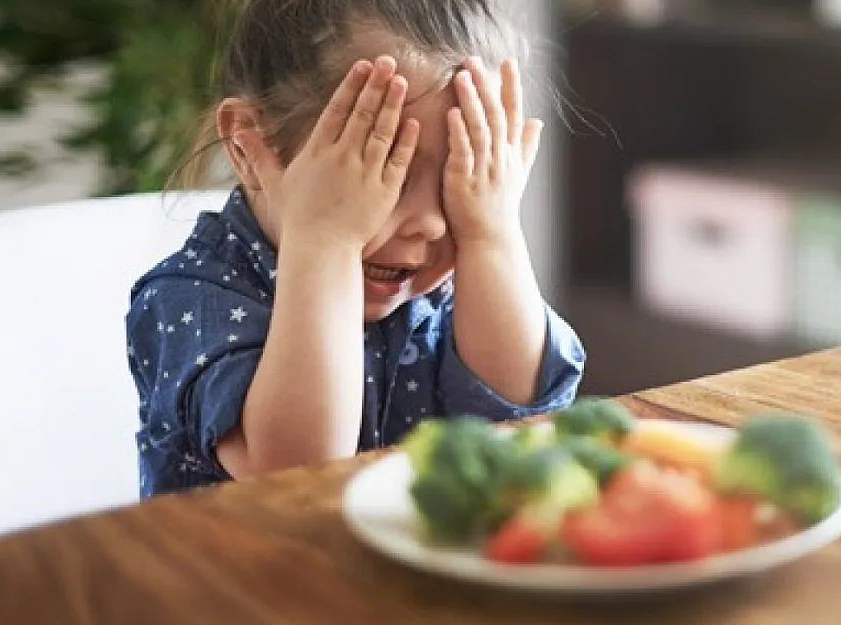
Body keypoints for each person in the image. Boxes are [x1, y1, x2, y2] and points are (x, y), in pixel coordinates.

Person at [126, 0, 586, 498]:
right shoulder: (191, 295)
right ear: (249, 147)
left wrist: (490, 232)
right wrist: (326, 241)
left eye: (462, 181)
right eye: (382, 174)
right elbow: (297, 471)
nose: (430, 224)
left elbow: (524, 411)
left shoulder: (458, 272)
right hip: (240, 571)